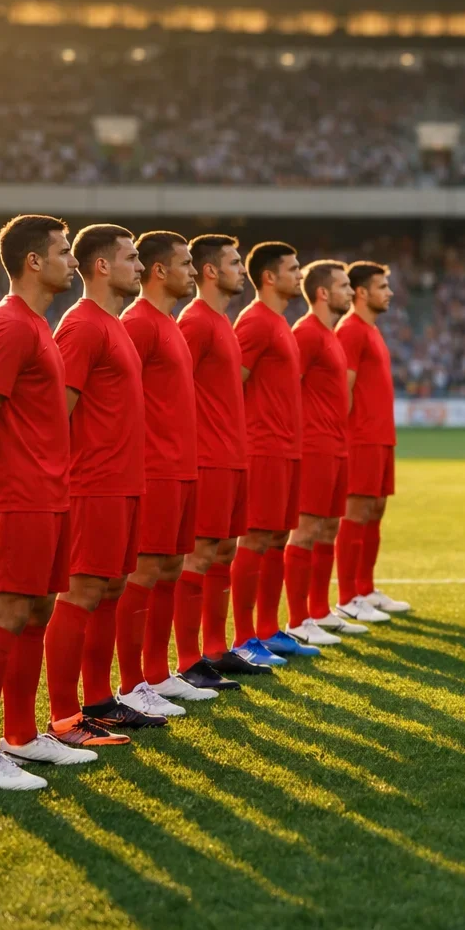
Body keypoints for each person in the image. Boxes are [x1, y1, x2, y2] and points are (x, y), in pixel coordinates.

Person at [0, 215, 93, 788]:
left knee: (38, 612)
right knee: (4, 614)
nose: (72, 260)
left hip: (49, 491)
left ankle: (23, 738)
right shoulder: (9, 324)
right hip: (20, 493)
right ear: (34, 261)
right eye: (63, 251)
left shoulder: (36, 325)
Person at [53, 224, 187, 729]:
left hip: (125, 481)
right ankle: (66, 715)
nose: (139, 265)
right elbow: (56, 412)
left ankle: (99, 700)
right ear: (104, 266)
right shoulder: (83, 325)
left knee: (110, 591)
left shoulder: (112, 324)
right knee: (82, 594)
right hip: (94, 482)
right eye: (131, 258)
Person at [123, 231, 238, 697]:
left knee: (170, 568)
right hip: (157, 465)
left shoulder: (171, 322)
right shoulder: (143, 323)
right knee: (147, 572)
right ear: (159, 270)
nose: (192, 272)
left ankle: (161, 673)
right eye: (185, 264)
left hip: (186, 461)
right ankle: (137, 682)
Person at [177, 235, 275, 674]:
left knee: (223, 554)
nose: (242, 270)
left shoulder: (222, 322)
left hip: (234, 456)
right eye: (235, 262)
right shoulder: (195, 321)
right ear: (211, 271)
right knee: (198, 557)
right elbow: (176, 391)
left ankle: (216, 649)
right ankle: (188, 659)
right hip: (208, 457)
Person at [231, 241, 319, 661]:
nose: (300, 273)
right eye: (294, 267)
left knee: (278, 538)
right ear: (270, 276)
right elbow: (233, 384)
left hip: (287, 446)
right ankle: (245, 638)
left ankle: (269, 629)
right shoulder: (255, 322)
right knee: (256, 537)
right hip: (262, 446)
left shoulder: (280, 322)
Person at [284, 260, 366, 645]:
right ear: (322, 292)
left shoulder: (331, 334)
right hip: (314, 446)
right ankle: (298, 618)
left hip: (337, 444)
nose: (351, 293)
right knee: (306, 531)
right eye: (344, 286)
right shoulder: (307, 333)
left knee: (329, 528)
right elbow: (287, 388)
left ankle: (319, 610)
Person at [334, 261, 409, 622]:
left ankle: (365, 588)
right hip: (360, 438)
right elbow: (342, 389)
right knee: (357, 513)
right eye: (382, 286)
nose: (389, 292)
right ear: (361, 292)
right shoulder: (350, 330)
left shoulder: (371, 330)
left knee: (375, 512)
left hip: (380, 437)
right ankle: (348, 596)